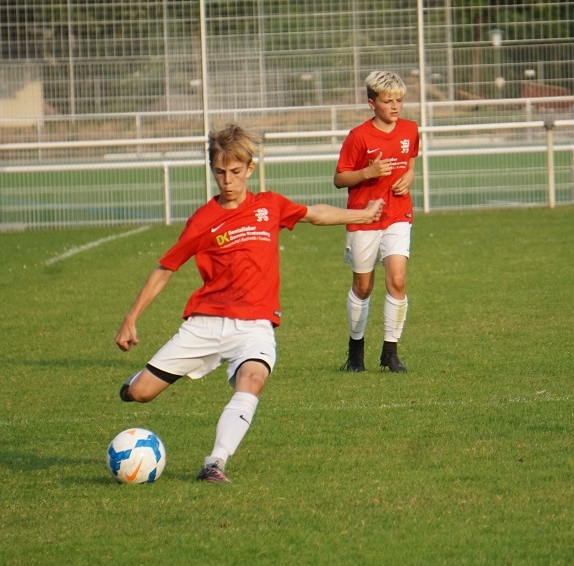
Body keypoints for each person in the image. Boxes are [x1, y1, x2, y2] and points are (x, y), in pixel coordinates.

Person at [115, 123, 383, 483]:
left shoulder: (270, 206)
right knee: (141, 394)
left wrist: (363, 215)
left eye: (235, 172)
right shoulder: (203, 220)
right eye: (220, 172)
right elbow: (166, 268)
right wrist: (131, 318)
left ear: (250, 168)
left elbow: (315, 214)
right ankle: (134, 384)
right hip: (206, 323)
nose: (228, 181)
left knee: (253, 378)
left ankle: (215, 463)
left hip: (255, 325)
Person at [333, 71, 419, 373]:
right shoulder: (359, 137)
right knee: (363, 287)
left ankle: (390, 352)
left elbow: (410, 163)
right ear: (372, 103)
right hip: (364, 217)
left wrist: (409, 177)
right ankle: (356, 350)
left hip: (398, 214)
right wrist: (367, 173)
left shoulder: (410, 129)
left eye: (399, 100)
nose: (395, 106)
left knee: (398, 280)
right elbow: (339, 179)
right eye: (388, 101)